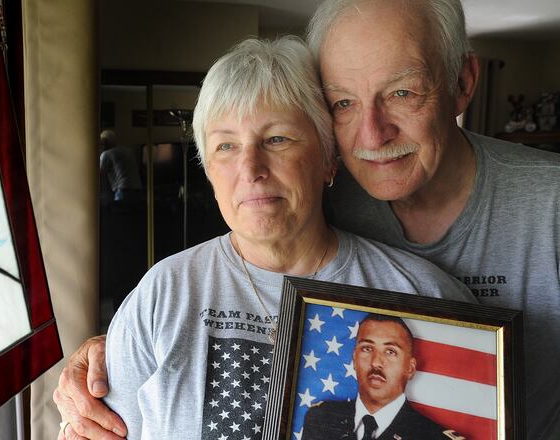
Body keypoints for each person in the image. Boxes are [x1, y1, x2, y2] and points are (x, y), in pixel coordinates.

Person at [53, 1, 560, 439]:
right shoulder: (166, 291)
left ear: (326, 160)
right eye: (226, 146)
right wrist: (110, 348)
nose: (373, 134)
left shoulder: (522, 225)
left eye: (402, 92)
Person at [302, 314, 457, 440]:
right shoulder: (321, 418)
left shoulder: (433, 436)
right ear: (354, 359)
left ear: (410, 368)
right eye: (367, 348)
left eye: (390, 352)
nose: (376, 362)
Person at [99, 129, 143, 203]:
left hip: (122, 190)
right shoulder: (128, 151)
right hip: (137, 189)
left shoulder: (106, 154)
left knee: (119, 213)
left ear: (104, 142)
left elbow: (100, 173)